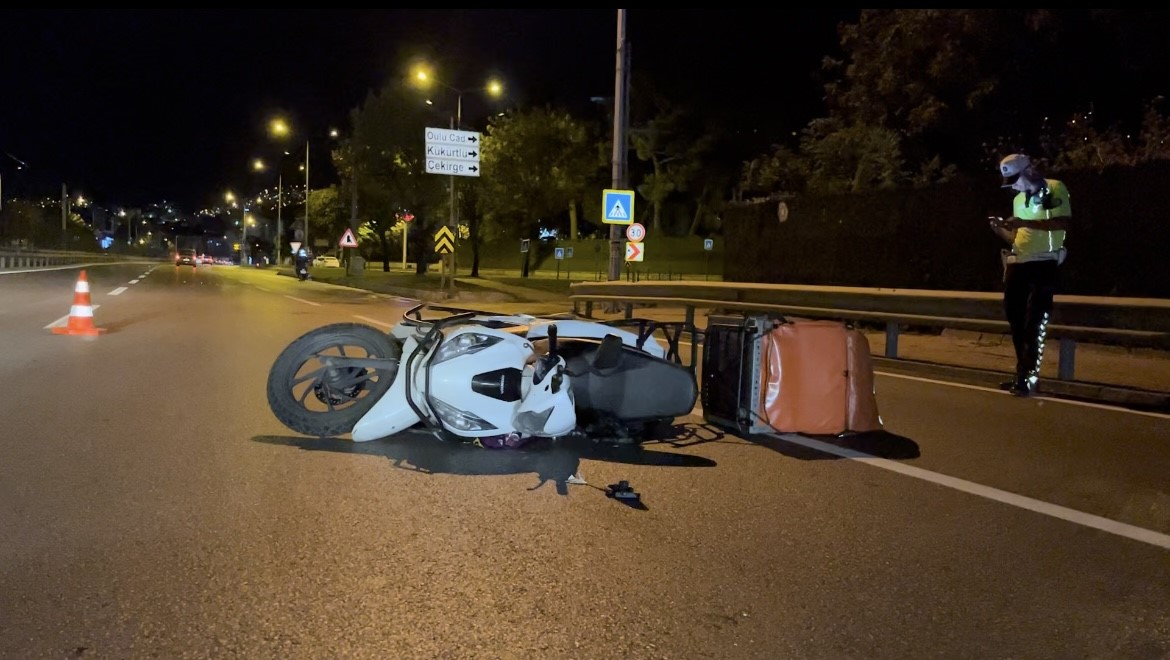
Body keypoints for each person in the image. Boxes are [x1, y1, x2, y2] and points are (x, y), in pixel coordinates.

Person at [989, 154, 1071, 396]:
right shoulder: (1018, 201)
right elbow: (1018, 237)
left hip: (1044, 263)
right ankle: (1022, 373)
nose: (1013, 185)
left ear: (1029, 171)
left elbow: (1063, 222)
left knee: (1034, 320)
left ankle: (1028, 377)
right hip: (1018, 263)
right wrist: (1002, 230)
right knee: (1015, 320)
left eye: (1015, 179)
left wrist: (1024, 222)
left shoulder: (1055, 188)